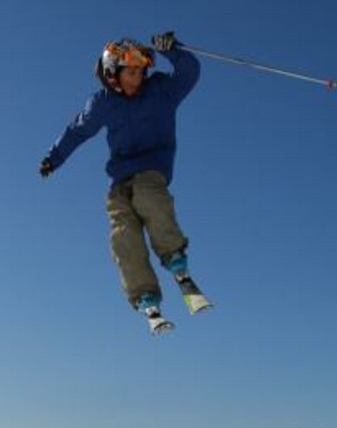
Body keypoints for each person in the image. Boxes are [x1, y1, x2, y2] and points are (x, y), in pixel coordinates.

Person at [40, 33, 211, 334]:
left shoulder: (161, 91)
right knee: (122, 233)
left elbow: (190, 73)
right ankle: (146, 296)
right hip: (120, 179)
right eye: (131, 72)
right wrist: (54, 158)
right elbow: (78, 131)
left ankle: (177, 265)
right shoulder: (103, 104)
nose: (138, 77)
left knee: (148, 197)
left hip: (152, 170)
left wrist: (173, 51)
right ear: (112, 75)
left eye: (141, 71)